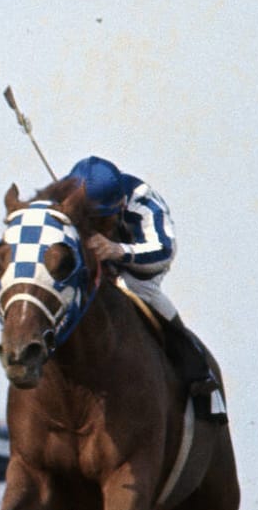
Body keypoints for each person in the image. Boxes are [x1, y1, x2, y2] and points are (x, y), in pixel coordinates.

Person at [65, 155, 226, 422]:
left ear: (119, 206)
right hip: (92, 263)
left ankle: (197, 369)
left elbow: (165, 250)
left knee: (131, 287)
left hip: (139, 268)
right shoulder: (68, 196)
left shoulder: (145, 204)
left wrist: (118, 250)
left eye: (100, 218)